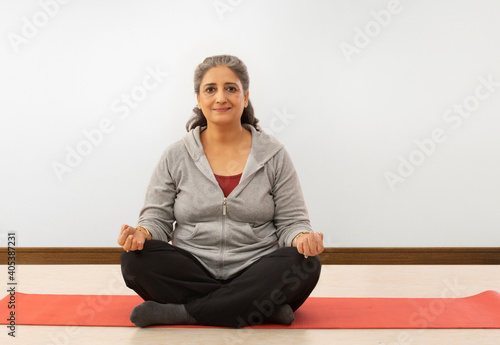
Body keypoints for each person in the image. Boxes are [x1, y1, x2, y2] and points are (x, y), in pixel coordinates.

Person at [118, 55, 324, 328]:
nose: (221, 98)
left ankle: (184, 313)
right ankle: (258, 308)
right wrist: (141, 233)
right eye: (210, 89)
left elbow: (292, 221)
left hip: (256, 268)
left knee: (306, 264)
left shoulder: (274, 155)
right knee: (134, 261)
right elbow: (156, 219)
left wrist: (302, 238)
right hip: (193, 268)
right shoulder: (176, 155)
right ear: (199, 99)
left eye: (231, 88)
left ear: (245, 96)